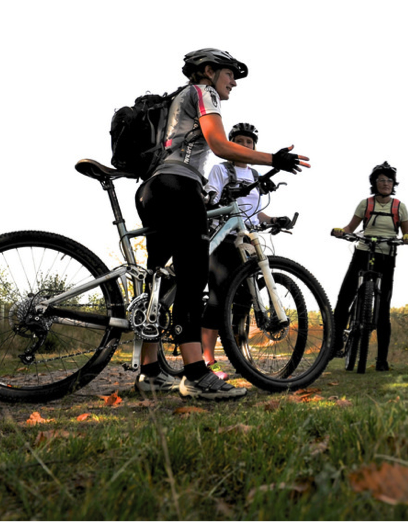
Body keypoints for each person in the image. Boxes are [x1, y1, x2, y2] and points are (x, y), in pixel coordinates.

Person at [134, 48, 309, 399]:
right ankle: (196, 374)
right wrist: (272, 158)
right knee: (192, 278)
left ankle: (149, 372)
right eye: (230, 74)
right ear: (208, 70)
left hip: (153, 189)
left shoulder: (177, 99)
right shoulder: (204, 92)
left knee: (159, 284)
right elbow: (219, 144)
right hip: (181, 186)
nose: (234, 83)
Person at [201, 122, 295, 380]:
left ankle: (239, 356)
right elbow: (211, 197)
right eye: (239, 141)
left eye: (248, 142)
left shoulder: (255, 175)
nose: (244, 145)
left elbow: (254, 213)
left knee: (243, 302)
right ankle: (208, 360)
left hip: (247, 243)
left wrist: (273, 219)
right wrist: (213, 198)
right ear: (230, 144)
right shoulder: (221, 170)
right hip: (223, 240)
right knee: (218, 299)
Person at [330, 162, 408, 372]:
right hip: (363, 251)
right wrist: (341, 231)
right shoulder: (366, 204)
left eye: (389, 180)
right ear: (374, 183)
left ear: (393, 184)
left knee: (384, 307)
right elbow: (351, 227)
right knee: (344, 298)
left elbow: (407, 231)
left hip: (387, 255)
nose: (386, 183)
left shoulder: (399, 206)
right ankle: (334, 344)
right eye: (381, 180)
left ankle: (381, 360)